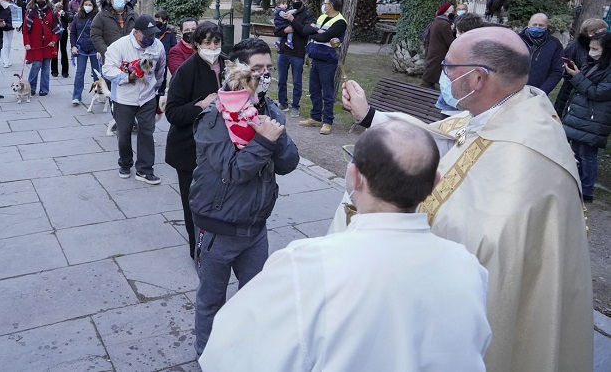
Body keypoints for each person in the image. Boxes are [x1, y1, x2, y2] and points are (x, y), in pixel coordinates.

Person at [339, 26, 593, 372]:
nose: (443, 76)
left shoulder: (524, 160)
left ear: (476, 80)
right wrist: (369, 117)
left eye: (448, 68)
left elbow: (486, 247)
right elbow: (441, 137)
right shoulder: (508, 110)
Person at [200, 121, 491, 372]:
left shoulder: (305, 266)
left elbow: (228, 354)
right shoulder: (469, 268)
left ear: (354, 178)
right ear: (435, 183)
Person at [190, 37, 300, 356]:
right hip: (217, 228)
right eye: (257, 69)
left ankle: (246, 353)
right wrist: (264, 140)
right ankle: (206, 357)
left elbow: (289, 163)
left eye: (269, 69)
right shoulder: (214, 116)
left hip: (255, 228)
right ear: (238, 72)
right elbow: (233, 171)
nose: (264, 76)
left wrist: (272, 133)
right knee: (211, 301)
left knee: (255, 298)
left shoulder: (269, 111)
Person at [165, 22, 225, 258]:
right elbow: (173, 113)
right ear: (197, 45)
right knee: (195, 206)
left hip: (221, 148)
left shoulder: (230, 65)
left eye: (216, 42)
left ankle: (219, 246)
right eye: (207, 42)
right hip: (190, 150)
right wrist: (201, 104)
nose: (213, 47)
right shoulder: (187, 70)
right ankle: (198, 251)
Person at [102, 14, 166, 184]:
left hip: (147, 96)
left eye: (153, 34)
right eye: (148, 35)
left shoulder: (158, 46)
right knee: (124, 133)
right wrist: (126, 77)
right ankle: (125, 163)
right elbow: (107, 70)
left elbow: (161, 69)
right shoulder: (119, 46)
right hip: (124, 98)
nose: (151, 38)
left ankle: (144, 170)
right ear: (136, 32)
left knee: (147, 131)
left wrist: (157, 88)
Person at [561, 31, 611, 203]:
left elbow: (597, 92)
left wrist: (577, 77)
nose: (591, 51)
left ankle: (587, 189)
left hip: (594, 118)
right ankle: (576, 184)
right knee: (576, 152)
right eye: (590, 48)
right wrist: (575, 73)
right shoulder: (593, 63)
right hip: (580, 115)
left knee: (587, 154)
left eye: (595, 48)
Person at [296, 0, 347, 135]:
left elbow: (324, 37)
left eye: (325, 3)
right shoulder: (322, 17)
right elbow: (307, 30)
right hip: (316, 58)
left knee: (327, 93)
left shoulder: (340, 22)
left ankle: (327, 121)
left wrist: (315, 32)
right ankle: (316, 117)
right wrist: (316, 32)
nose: (324, 6)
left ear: (331, 5)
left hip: (328, 61)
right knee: (314, 90)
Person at [555, 18, 608, 116]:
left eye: (605, 32)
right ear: (589, 32)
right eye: (600, 32)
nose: (603, 35)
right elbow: (564, 73)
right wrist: (573, 73)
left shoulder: (605, 48)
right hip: (570, 93)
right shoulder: (574, 47)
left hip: (591, 100)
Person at [274, 0, 314, 118]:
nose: (295, 2)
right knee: (281, 80)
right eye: (294, 0)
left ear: (304, 1)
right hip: (283, 52)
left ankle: (295, 106)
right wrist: (285, 30)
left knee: (297, 81)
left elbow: (305, 32)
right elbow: (277, 30)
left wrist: (293, 20)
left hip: (297, 52)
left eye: (298, 0)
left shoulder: (307, 15)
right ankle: (282, 103)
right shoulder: (286, 11)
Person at [23, 0, 62, 96]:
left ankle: (44, 89)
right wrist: (26, 43)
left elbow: (57, 29)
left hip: (48, 44)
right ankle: (31, 87)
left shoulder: (52, 11)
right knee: (36, 65)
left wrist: (53, 41)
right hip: (35, 44)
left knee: (46, 66)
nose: (41, 0)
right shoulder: (30, 11)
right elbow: (26, 29)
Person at [90, 0, 138, 64]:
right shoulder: (101, 16)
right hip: (110, 59)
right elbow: (95, 35)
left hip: (131, 59)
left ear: (126, 0)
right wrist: (106, 51)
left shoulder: (134, 16)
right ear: (110, 0)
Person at [519, 12, 563, 94]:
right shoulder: (516, 40)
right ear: (529, 24)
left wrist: (542, 91)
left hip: (537, 92)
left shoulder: (554, 44)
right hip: (512, 91)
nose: (537, 27)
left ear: (546, 26)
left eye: (541, 25)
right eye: (534, 24)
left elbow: (557, 71)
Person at [70, 0, 102, 105]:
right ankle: (76, 96)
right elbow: (73, 32)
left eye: (90, 5)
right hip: (81, 48)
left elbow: (102, 33)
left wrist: (100, 48)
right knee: (79, 72)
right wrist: (73, 46)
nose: (87, 7)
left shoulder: (98, 17)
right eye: (86, 4)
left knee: (97, 73)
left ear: (93, 6)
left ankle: (99, 93)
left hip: (94, 49)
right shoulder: (77, 17)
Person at [420, 2, 455, 88]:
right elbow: (451, 42)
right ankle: (422, 92)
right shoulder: (444, 24)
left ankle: (424, 90)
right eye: (452, 11)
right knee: (429, 77)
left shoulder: (437, 21)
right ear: (446, 12)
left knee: (430, 74)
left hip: (434, 52)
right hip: (439, 54)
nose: (453, 13)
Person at [154, 10, 177, 96]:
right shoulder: (153, 31)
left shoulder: (170, 33)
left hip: (165, 59)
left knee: (162, 75)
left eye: (159, 19)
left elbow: (173, 45)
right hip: (154, 57)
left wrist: (168, 56)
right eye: (156, 19)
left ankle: (161, 91)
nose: (156, 21)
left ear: (164, 21)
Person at [51, 0, 70, 79]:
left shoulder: (66, 8)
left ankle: (65, 71)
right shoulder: (52, 8)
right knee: (54, 50)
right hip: (54, 30)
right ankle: (54, 70)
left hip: (63, 30)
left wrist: (64, 14)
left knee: (63, 50)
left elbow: (70, 19)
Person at [1, 0, 23, 68]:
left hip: (9, 25)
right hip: (8, 25)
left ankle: (6, 60)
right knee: (6, 43)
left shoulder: (6, 5)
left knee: (8, 43)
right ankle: (6, 60)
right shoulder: (10, 6)